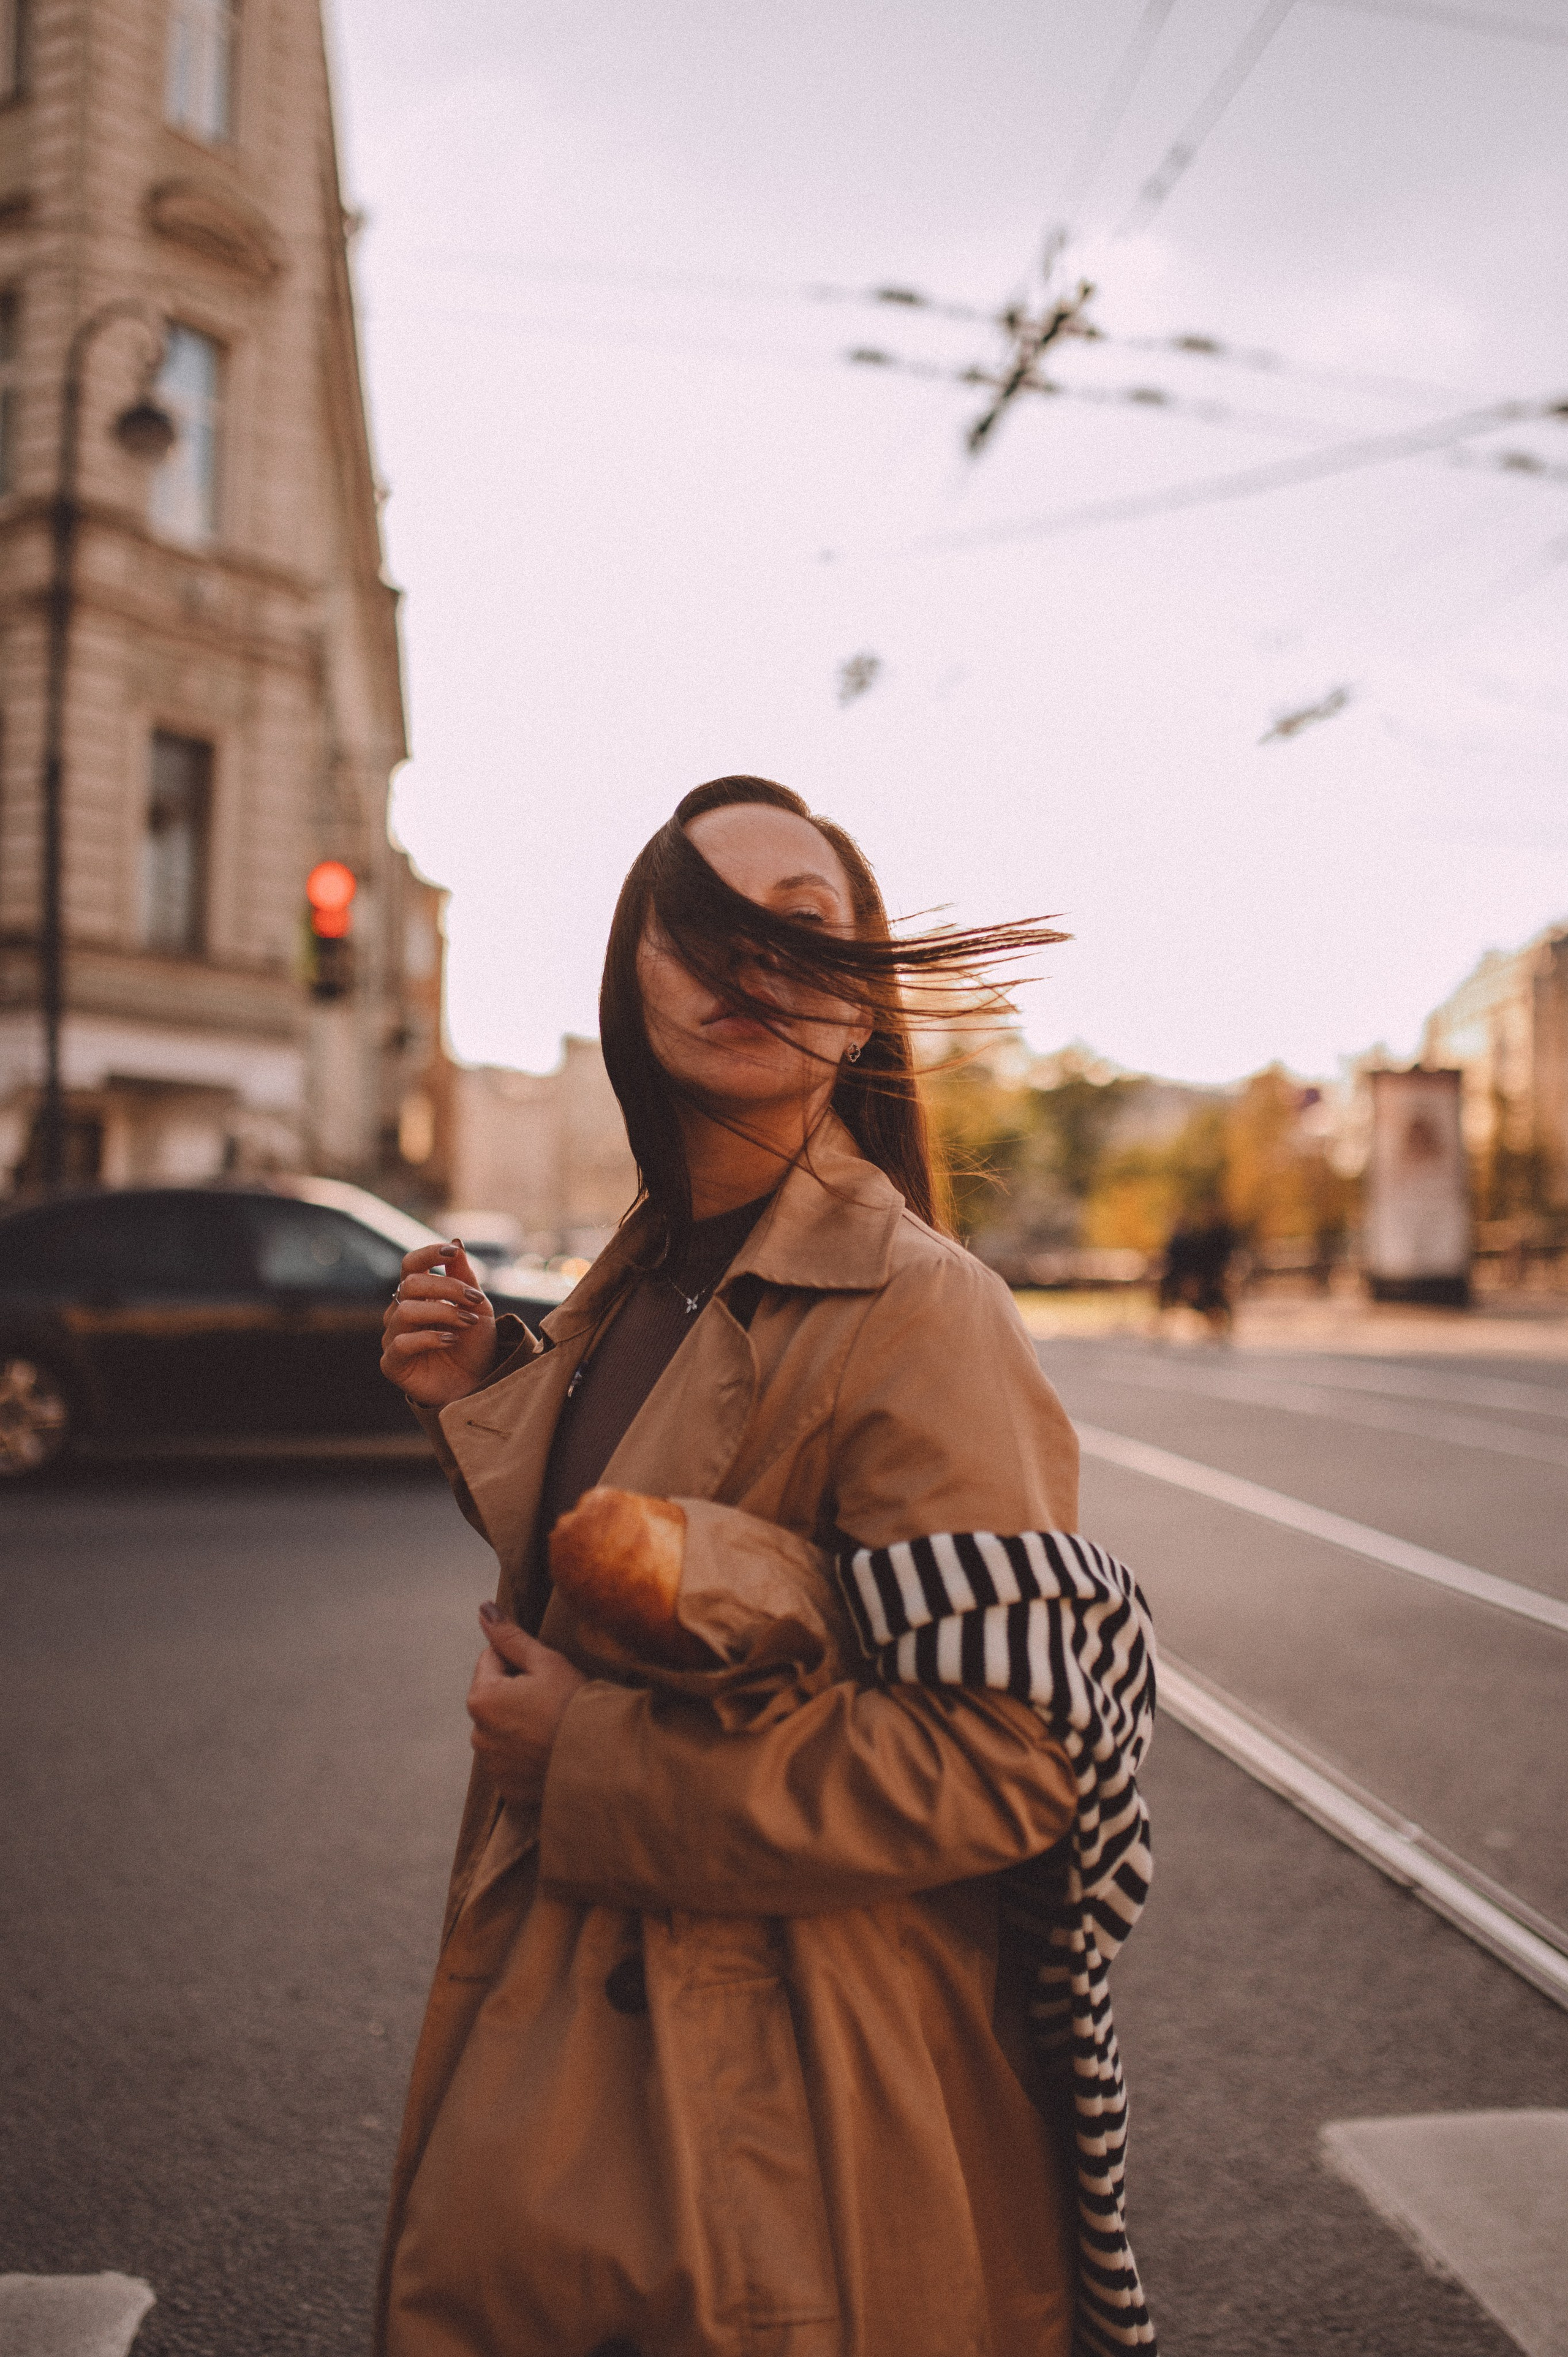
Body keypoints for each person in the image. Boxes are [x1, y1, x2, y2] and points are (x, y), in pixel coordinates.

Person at [374, 776, 1157, 2357]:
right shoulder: (642, 1273)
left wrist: (586, 1761)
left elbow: (1012, 1763)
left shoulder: (923, 1306)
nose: (752, 966)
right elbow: (675, 1567)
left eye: (806, 933)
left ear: (864, 1011)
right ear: (631, 978)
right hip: (592, 2020)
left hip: (775, 2113)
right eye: (706, 928)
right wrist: (489, 1401)